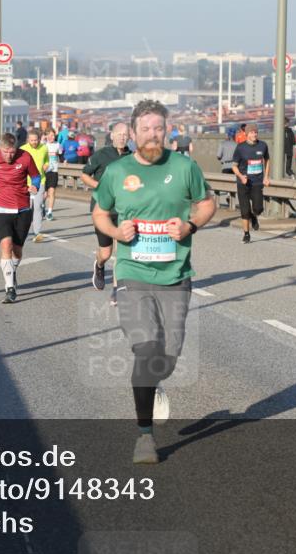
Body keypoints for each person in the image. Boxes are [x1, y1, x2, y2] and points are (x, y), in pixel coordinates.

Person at [93, 100, 215, 464]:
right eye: (145, 128)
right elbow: (100, 212)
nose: (152, 134)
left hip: (176, 275)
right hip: (132, 273)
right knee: (146, 350)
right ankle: (144, 436)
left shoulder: (184, 167)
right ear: (132, 133)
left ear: (167, 130)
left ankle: (154, 381)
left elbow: (207, 204)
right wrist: (117, 230)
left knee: (169, 354)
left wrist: (190, 225)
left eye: (158, 128)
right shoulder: (117, 171)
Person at [0, 133, 42, 304]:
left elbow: (36, 176)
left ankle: (12, 272)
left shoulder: (25, 157)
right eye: (6, 152)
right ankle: (9, 288)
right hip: (0, 208)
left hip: (22, 208)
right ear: (0, 148)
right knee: (6, 244)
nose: (9, 155)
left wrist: (35, 185)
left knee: (17, 250)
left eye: (12, 152)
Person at [81, 122, 131, 304]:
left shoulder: (133, 158)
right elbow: (85, 175)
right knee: (106, 252)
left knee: (123, 251)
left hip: (124, 210)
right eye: (119, 134)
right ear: (112, 135)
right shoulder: (101, 155)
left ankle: (117, 289)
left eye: (125, 134)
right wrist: (100, 186)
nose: (122, 137)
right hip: (102, 211)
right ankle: (99, 265)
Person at [231, 125, 272, 243]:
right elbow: (234, 166)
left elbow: (267, 160)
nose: (254, 135)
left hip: (257, 182)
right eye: (252, 132)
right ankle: (246, 234)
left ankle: (254, 216)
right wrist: (240, 176)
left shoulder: (263, 145)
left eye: (256, 132)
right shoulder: (240, 147)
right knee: (244, 210)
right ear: (247, 134)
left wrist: (266, 177)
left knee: (258, 209)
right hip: (243, 182)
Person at [20, 128, 49, 243]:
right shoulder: (22, 150)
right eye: (32, 140)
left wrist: (46, 164)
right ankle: (22, 230)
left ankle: (37, 233)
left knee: (37, 207)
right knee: (26, 208)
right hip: (25, 182)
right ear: (28, 140)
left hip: (40, 181)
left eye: (36, 140)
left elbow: (47, 160)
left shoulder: (44, 148)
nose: (34, 142)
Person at [43, 129, 63, 221]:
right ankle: (42, 206)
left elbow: (61, 155)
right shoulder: (43, 145)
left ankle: (50, 212)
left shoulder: (58, 145)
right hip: (44, 172)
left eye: (53, 135)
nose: (52, 137)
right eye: (50, 135)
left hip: (53, 171)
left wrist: (65, 160)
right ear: (46, 136)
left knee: (52, 192)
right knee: (44, 194)